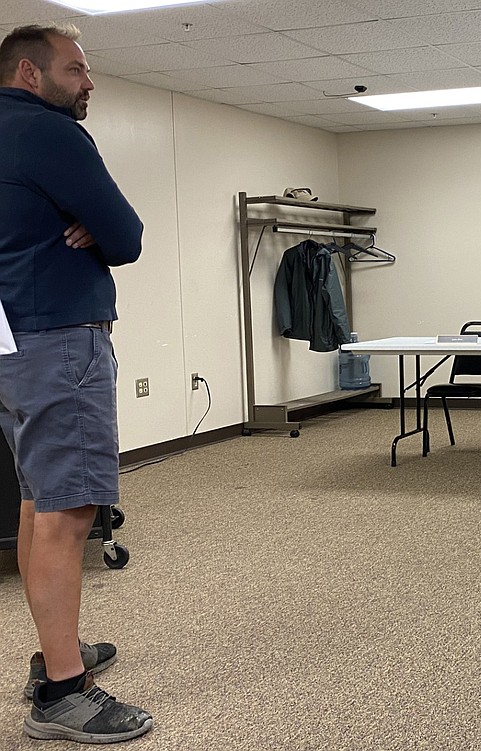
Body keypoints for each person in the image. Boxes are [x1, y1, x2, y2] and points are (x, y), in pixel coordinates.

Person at [0, 24, 153, 742]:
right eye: (77, 69)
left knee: (38, 499)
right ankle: (63, 690)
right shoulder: (49, 134)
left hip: (10, 341)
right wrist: (93, 225)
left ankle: (54, 651)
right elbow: (124, 234)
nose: (88, 82)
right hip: (60, 341)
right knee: (70, 512)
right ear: (30, 74)